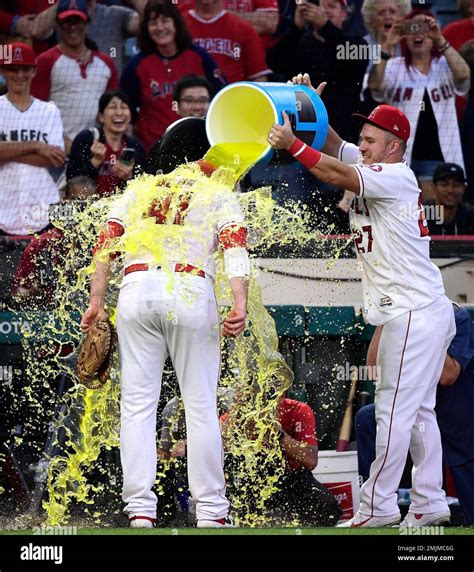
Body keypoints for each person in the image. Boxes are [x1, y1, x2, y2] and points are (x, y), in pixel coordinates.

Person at [268, 72, 456, 528]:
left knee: (392, 411)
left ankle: (375, 505)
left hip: (413, 310)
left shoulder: (395, 175)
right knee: (418, 414)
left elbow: (332, 169)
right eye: (363, 136)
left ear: (394, 145)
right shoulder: (375, 163)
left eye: (371, 138)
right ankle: (429, 502)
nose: (362, 143)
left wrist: (293, 145)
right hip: (414, 311)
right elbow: (335, 147)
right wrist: (311, 104)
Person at [80, 159, 250, 528]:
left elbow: (104, 246)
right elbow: (235, 247)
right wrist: (240, 302)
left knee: (138, 406)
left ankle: (140, 509)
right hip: (189, 288)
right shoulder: (217, 190)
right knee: (201, 404)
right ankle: (211, 513)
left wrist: (96, 301)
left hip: (136, 290)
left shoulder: (138, 190)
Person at [355, 303, 474, 526]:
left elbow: (448, 375)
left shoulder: (455, 315)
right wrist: (384, 321)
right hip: (413, 410)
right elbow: (373, 370)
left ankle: (432, 506)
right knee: (367, 418)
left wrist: (421, 335)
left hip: (456, 417)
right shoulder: (397, 315)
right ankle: (376, 507)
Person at [368, 9, 471, 200]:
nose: (418, 33)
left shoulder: (444, 64)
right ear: (405, 37)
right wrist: (387, 47)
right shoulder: (392, 66)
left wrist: (440, 39)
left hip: (441, 158)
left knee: (437, 219)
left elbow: (465, 75)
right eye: (411, 28)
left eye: (424, 27)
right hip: (400, 158)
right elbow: (374, 87)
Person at [120, 0, 225, 152]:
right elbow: (126, 110)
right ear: (146, 28)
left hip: (199, 147)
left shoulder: (199, 56)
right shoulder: (137, 64)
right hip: (154, 149)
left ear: (176, 23)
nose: (160, 27)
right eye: (153, 23)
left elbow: (221, 96)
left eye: (165, 21)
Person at [268, 0, 368, 142]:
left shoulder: (356, 43)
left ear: (345, 14)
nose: (322, 11)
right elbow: (275, 62)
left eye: (331, 6)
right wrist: (296, 27)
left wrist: (325, 25)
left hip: (342, 134)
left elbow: (355, 61)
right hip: (302, 133)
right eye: (318, 6)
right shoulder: (299, 44)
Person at [31, 0, 119, 151]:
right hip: (56, 151)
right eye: (67, 22)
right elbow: (35, 112)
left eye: (77, 21)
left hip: (97, 152)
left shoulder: (106, 63)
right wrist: (64, 144)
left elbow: (114, 108)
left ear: (86, 23)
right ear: (58, 25)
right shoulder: (45, 61)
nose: (73, 27)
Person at [0, 42, 66, 236]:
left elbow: (54, 158)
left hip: (42, 209)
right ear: (3, 71)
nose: (19, 75)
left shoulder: (49, 110)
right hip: (3, 207)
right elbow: (45, 153)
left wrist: (6, 152)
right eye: (13, 69)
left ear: (34, 71)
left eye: (24, 69)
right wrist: (37, 146)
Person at [12, 176, 97, 307]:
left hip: (91, 311)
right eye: (75, 201)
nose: (81, 207)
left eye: (87, 202)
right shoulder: (42, 243)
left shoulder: (104, 241)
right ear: (64, 201)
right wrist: (34, 291)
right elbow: (17, 293)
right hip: (50, 313)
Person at [67, 90, 146, 196]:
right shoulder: (87, 138)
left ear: (130, 116)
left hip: (121, 209)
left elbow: (144, 185)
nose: (119, 112)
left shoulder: (135, 146)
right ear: (101, 117)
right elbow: (72, 179)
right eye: (112, 107)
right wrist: (94, 163)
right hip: (89, 208)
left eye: (124, 107)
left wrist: (129, 177)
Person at [30, 0, 141, 74]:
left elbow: (145, 25)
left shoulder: (116, 14)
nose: (73, 26)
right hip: (72, 91)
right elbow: (36, 31)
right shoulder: (64, 16)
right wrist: (63, 2)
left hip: (110, 97)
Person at [184, 0, 271, 84]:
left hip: (231, 95)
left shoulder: (243, 28)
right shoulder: (181, 26)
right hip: (190, 95)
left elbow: (259, 76)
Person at [147, 75, 213, 174]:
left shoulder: (220, 142)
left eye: (203, 100)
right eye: (189, 100)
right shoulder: (161, 146)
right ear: (176, 106)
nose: (196, 107)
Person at [426, 163, 474, 236]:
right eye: (444, 185)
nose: (450, 190)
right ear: (433, 187)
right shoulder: (420, 216)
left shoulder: (471, 216)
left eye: (456, 185)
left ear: (464, 188)